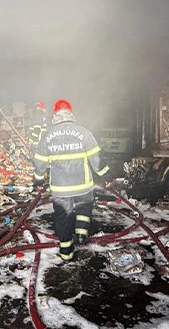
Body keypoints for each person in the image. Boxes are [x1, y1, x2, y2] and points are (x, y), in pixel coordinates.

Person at [32, 99, 110, 261]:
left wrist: (38, 180)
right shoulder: (84, 133)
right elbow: (96, 159)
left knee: (63, 217)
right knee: (84, 206)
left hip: (61, 188)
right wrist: (105, 174)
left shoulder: (48, 136)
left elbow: (40, 162)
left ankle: (66, 252)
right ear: (71, 114)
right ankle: (81, 233)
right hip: (83, 185)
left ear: (55, 115)